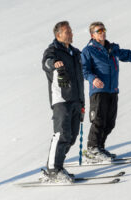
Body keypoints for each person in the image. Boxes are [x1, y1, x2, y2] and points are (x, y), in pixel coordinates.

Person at [81, 21, 131, 162]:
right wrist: (93, 79)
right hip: (99, 91)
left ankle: (100, 148)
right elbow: (84, 70)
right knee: (98, 120)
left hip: (112, 90)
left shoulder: (112, 49)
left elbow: (130, 56)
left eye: (103, 29)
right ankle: (92, 149)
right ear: (92, 35)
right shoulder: (88, 51)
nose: (102, 32)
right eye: (99, 31)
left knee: (110, 122)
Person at [42, 21, 85, 183]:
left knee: (72, 136)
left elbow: (80, 78)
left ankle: (57, 165)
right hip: (61, 99)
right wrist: (54, 64)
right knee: (61, 134)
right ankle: (53, 170)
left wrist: (82, 103)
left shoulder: (75, 53)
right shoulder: (53, 51)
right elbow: (46, 63)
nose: (71, 34)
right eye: (67, 32)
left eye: (71, 31)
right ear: (58, 35)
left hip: (76, 99)